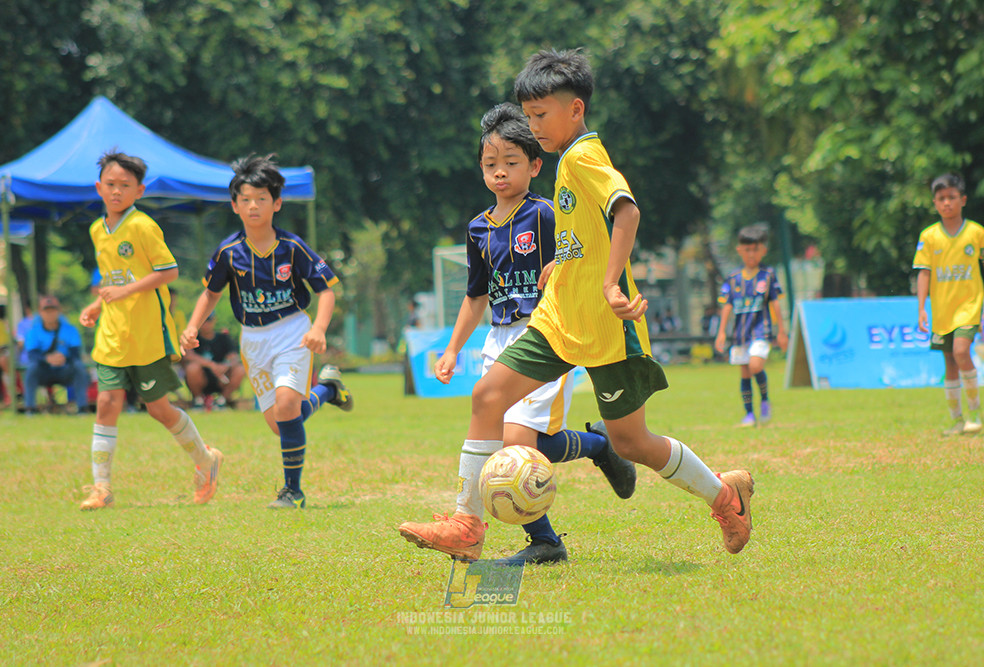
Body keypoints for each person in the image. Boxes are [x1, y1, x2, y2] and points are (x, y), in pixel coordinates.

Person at [403, 48, 755, 561]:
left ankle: (725, 496)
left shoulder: (584, 156)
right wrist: (562, 267)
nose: (533, 125)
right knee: (487, 398)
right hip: (556, 321)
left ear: (576, 110)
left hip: (605, 326)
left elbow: (626, 211)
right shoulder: (565, 163)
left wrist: (611, 283)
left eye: (541, 115)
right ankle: (466, 525)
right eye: (528, 115)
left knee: (633, 442)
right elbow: (581, 235)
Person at [398, 104, 636, 565]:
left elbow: (583, 250)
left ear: (534, 166)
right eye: (490, 165)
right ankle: (586, 467)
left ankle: (491, 528)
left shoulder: (546, 215)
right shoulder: (477, 228)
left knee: (512, 442)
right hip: (499, 339)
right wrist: (451, 349)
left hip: (546, 333)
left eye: (511, 163)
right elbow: (475, 296)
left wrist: (561, 265)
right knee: (504, 446)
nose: (500, 173)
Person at [181, 153, 353, 509]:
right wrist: (192, 326)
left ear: (276, 203)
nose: (253, 206)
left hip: (292, 331)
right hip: (253, 339)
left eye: (261, 198)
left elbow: (326, 290)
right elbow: (211, 292)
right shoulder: (228, 252)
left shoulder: (292, 247)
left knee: (288, 406)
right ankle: (328, 389)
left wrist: (318, 329)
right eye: (245, 199)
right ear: (234, 205)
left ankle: (292, 491)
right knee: (281, 423)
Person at [78, 150, 222, 511]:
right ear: (99, 187)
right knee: (107, 403)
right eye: (110, 185)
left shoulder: (142, 226)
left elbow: (168, 272)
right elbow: (111, 279)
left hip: (147, 336)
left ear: (139, 191)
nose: (116, 191)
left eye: (125, 186)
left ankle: (206, 460)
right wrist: (98, 304)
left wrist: (124, 292)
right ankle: (101, 488)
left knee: (159, 409)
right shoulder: (98, 229)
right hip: (112, 334)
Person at [914, 172, 984, 436]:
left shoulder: (977, 233)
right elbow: (924, 272)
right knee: (950, 363)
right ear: (934, 203)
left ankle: (975, 415)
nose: (947, 203)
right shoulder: (929, 237)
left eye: (952, 197)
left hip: (969, 306)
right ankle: (957, 421)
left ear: (963, 200)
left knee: (961, 351)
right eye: (941, 198)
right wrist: (921, 308)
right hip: (942, 311)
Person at [713, 224, 789, 427]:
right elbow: (727, 305)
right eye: (747, 250)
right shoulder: (733, 278)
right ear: (740, 250)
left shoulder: (768, 275)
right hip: (740, 334)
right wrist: (721, 332)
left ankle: (765, 401)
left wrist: (781, 331)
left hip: (760, 331)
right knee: (744, 372)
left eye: (755, 249)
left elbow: (776, 304)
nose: (751, 254)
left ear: (763, 250)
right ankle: (749, 415)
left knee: (756, 365)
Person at [22, 295, 90, 414]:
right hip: (44, 370)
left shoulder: (70, 330)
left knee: (79, 367)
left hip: (65, 369)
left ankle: (82, 407)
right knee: (32, 369)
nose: (50, 314)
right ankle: (30, 408)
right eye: (46, 311)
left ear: (59, 311)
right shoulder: (34, 331)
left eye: (52, 310)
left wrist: (63, 359)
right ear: (40, 312)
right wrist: (47, 359)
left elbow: (75, 353)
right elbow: (32, 354)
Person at [183, 312, 245, 409]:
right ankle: (199, 400)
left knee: (240, 369)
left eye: (208, 320)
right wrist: (211, 365)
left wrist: (225, 366)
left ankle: (222, 401)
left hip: (222, 378)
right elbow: (188, 355)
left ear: (214, 320)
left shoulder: (223, 338)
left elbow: (233, 357)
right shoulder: (194, 339)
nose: (206, 324)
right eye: (203, 321)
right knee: (192, 368)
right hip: (202, 378)